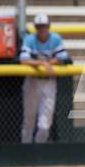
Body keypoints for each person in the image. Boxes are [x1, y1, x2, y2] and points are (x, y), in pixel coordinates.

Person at [19, 14, 69, 143]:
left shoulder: (55, 38)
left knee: (45, 124)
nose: (42, 29)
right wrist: (43, 63)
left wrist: (47, 63)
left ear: (49, 26)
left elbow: (63, 58)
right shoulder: (30, 39)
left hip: (48, 82)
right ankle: (26, 151)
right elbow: (23, 60)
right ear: (35, 28)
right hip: (32, 81)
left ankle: (38, 150)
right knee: (28, 120)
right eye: (39, 27)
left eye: (44, 26)